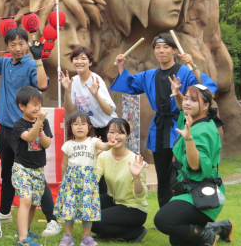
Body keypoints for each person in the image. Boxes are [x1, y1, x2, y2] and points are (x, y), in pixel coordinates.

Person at [110, 33, 217, 207]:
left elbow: (205, 89)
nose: (161, 50)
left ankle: (185, 209)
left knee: (182, 172)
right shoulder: (149, 75)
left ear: (174, 50)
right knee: (163, 175)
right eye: (158, 47)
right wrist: (122, 66)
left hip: (180, 125)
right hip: (159, 128)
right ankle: (164, 212)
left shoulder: (185, 71)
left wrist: (194, 66)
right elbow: (129, 84)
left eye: (166, 47)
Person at [0, 23, 61, 237]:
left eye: (21, 43)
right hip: (6, 127)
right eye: (13, 44)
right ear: (7, 46)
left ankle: (52, 220)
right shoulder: (5, 62)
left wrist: (38, 59)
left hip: (26, 129)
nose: (17, 48)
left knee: (33, 170)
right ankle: (5, 211)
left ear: (27, 45)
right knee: (8, 170)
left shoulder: (31, 63)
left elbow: (42, 86)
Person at [154, 82, 232, 245]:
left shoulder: (203, 130)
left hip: (204, 192)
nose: (187, 103)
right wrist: (178, 95)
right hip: (191, 187)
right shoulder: (194, 119)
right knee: (177, 240)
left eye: (193, 100)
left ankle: (208, 235)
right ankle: (220, 227)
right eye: (186, 98)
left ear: (206, 105)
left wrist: (188, 139)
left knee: (164, 221)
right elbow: (183, 108)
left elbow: (196, 165)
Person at [59, 45, 118, 194]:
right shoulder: (73, 81)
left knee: (105, 170)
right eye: (76, 58)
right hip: (90, 130)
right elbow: (70, 110)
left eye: (83, 59)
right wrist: (67, 90)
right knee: (95, 168)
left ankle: (106, 202)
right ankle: (95, 201)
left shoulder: (95, 80)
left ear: (90, 62)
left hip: (107, 128)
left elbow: (109, 110)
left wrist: (96, 95)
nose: (79, 62)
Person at [54, 111, 117, 246]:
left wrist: (109, 144)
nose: (79, 126)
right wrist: (63, 180)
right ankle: (67, 236)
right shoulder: (68, 144)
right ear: (70, 127)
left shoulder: (93, 141)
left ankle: (86, 237)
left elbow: (104, 146)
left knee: (87, 208)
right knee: (69, 208)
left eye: (83, 124)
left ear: (89, 127)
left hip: (88, 182)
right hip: (71, 181)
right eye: (75, 124)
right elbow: (64, 164)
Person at [92, 118, 148, 243]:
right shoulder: (103, 156)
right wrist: (93, 157)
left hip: (134, 209)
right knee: (87, 207)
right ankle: (106, 229)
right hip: (116, 202)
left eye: (121, 132)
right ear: (107, 134)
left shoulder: (135, 161)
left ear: (127, 136)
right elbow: (92, 181)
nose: (116, 136)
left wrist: (136, 177)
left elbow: (141, 196)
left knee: (93, 222)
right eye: (112, 132)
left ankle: (135, 232)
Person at [12, 86, 53, 246]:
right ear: (22, 106)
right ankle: (23, 240)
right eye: (33, 104)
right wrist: (39, 123)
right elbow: (29, 137)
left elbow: (46, 144)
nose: (37, 108)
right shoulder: (18, 125)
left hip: (38, 169)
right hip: (21, 168)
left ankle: (25, 231)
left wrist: (41, 130)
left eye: (39, 104)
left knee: (34, 202)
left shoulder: (45, 122)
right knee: (26, 200)